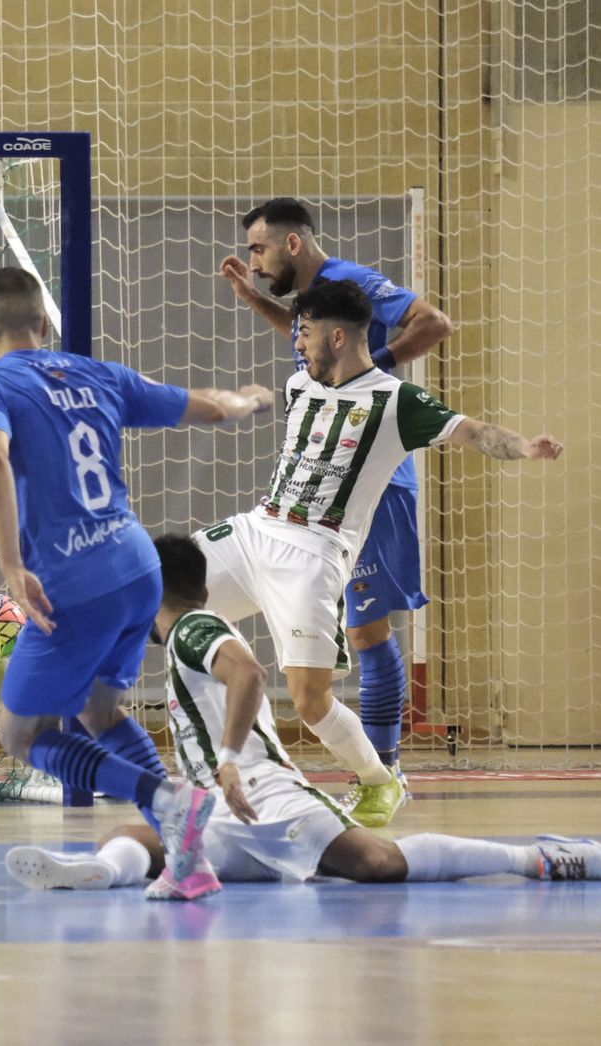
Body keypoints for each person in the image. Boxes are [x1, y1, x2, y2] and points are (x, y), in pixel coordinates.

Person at [5, 534, 601, 891]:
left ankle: (535, 859)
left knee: (376, 863)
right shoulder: (185, 636)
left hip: (262, 792)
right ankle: (99, 873)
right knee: (133, 838)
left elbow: (249, 673)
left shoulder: (193, 627)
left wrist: (227, 760)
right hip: (219, 810)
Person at [184, 277, 560, 833]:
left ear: (337, 337)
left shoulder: (396, 402)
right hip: (255, 531)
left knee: (310, 702)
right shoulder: (300, 384)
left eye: (305, 333)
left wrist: (524, 447)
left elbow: (473, 432)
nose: (298, 344)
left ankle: (380, 780)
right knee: (152, 593)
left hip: (313, 555)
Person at [0, 266, 277, 901]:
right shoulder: (98, 374)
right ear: (42, 324)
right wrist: (251, 398)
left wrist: (12, 566)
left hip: (74, 582)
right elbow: (212, 408)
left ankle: (168, 799)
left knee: (20, 736)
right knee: (98, 712)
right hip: (137, 568)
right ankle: (187, 855)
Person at [220, 197, 455, 826]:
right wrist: (255, 301)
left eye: (259, 249)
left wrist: (373, 373)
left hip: (372, 483)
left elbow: (434, 323)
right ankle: (379, 774)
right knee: (358, 632)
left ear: (293, 244)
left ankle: (386, 774)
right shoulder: (316, 303)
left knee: (368, 632)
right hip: (331, 488)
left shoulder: (351, 280)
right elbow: (317, 349)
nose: (254, 260)